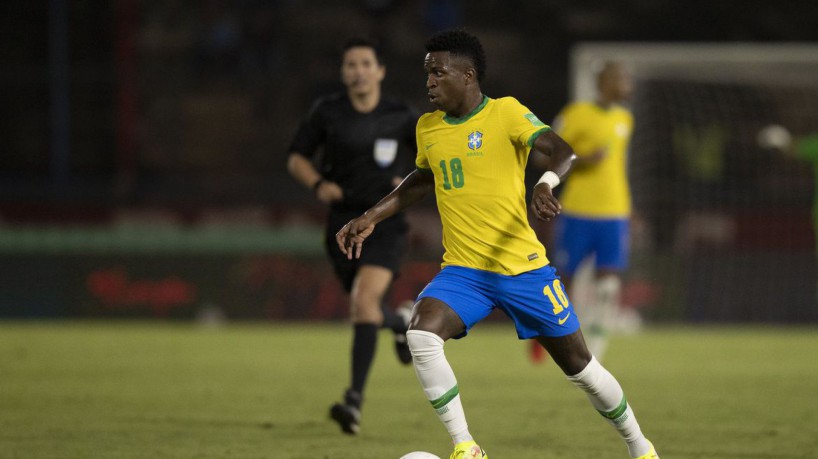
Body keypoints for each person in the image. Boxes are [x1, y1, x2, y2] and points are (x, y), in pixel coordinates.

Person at [336, 29, 659, 459]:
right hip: (464, 273)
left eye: (438, 73)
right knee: (421, 333)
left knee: (582, 369)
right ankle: (466, 446)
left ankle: (640, 446)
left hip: (523, 269)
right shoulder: (428, 127)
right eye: (427, 73)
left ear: (467, 75)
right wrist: (370, 217)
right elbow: (423, 178)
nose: (429, 82)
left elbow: (562, 151)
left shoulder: (505, 112)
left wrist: (544, 184)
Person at [286, 37, 418, 435]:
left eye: (365, 63)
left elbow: (430, 157)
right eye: (351, 65)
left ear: (380, 71)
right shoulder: (328, 112)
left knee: (363, 303)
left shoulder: (401, 116)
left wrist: (406, 179)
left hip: (385, 223)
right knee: (367, 309)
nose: (358, 71)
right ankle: (401, 323)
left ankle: (353, 401)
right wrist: (317, 185)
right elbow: (296, 157)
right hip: (342, 224)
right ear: (343, 74)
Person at [533, 61, 636, 362]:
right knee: (563, 281)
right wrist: (584, 159)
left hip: (615, 212)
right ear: (604, 82)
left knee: (608, 284)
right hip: (578, 211)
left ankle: (596, 351)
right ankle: (548, 333)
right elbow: (541, 159)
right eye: (621, 78)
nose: (627, 84)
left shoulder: (625, 118)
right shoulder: (575, 115)